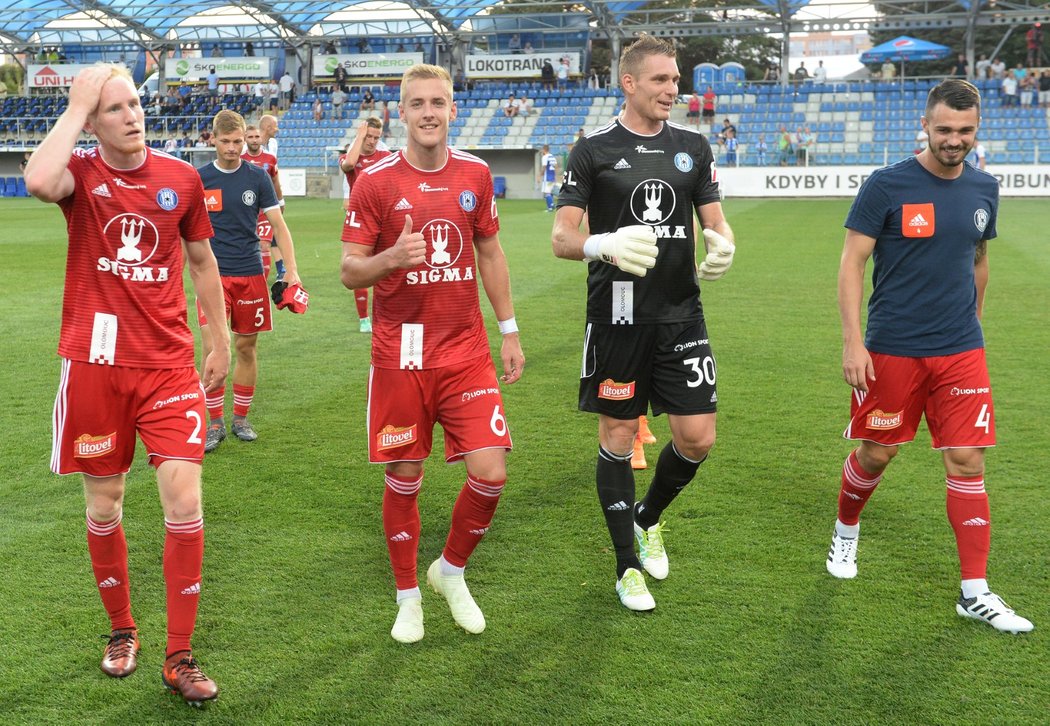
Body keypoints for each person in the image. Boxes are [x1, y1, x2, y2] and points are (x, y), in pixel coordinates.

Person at [23, 63, 229, 706]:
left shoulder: (180, 177)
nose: (132, 116)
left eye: (134, 103)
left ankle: (180, 653)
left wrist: (218, 338)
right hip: (93, 364)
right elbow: (36, 179)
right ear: (92, 120)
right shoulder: (80, 176)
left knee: (183, 501)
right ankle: (121, 631)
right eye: (113, 109)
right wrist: (76, 105)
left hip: (167, 365)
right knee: (105, 504)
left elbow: (201, 258)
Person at [827, 79, 1032, 635]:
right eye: (944, 129)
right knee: (877, 454)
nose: (954, 140)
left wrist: (975, 324)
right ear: (926, 124)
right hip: (893, 349)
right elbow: (851, 264)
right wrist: (853, 342)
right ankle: (846, 531)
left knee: (968, 461)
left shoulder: (985, 188)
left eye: (965, 131)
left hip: (961, 351)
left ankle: (975, 590)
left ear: (977, 128)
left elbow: (979, 257)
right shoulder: (886, 186)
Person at [551, 34, 736, 612]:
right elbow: (562, 237)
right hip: (618, 316)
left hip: (682, 313)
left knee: (697, 437)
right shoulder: (593, 150)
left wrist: (725, 245)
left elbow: (716, 223)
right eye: (660, 80)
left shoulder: (693, 146)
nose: (672, 89)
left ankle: (648, 517)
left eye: (675, 79)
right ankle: (626, 566)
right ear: (628, 83)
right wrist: (601, 244)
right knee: (618, 435)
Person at [340, 63, 524, 644]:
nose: (427, 112)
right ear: (401, 113)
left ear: (451, 110)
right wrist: (389, 260)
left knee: (490, 473)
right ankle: (408, 597)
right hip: (401, 355)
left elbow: (490, 253)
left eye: (437, 102)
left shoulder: (475, 173)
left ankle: (449, 570)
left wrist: (510, 329)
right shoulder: (375, 181)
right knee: (405, 475)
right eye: (416, 103)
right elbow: (349, 271)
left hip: (465, 350)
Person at [196, 110, 302, 454]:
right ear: (213, 139)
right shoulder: (199, 179)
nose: (232, 148)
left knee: (245, 347)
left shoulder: (257, 177)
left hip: (251, 273)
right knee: (213, 347)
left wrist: (292, 270)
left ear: (246, 138)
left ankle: (240, 418)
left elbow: (279, 226)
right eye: (225, 141)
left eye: (238, 141)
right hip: (213, 278)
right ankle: (214, 422)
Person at [339, 117, 392, 333]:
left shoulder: (385, 156)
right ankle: (364, 318)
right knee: (358, 266)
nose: (371, 141)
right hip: (359, 218)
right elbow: (349, 165)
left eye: (375, 138)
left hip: (383, 217)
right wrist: (359, 138)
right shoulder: (349, 156)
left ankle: (387, 311)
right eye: (368, 136)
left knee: (388, 264)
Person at [242, 124, 285, 278]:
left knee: (264, 244)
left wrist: (280, 202)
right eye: (250, 137)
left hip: (265, 208)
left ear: (261, 138)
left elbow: (275, 182)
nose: (254, 140)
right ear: (245, 139)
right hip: (245, 210)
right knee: (247, 247)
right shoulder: (240, 160)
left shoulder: (270, 159)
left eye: (257, 137)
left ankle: (261, 284)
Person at [538, 143, 558, 212]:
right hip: (552, 178)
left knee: (547, 192)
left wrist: (539, 176)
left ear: (544, 150)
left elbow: (544, 167)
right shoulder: (552, 156)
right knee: (550, 192)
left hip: (547, 178)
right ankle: (551, 206)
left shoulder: (545, 157)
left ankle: (551, 207)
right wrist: (555, 177)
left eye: (542, 150)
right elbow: (556, 167)